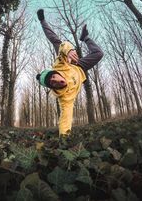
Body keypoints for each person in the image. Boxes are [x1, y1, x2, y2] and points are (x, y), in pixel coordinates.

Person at [36, 9, 103, 142]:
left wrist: (69, 50)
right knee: (98, 55)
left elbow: (62, 45)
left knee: (57, 42)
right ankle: (84, 38)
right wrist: (64, 137)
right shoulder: (64, 98)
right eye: (52, 83)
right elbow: (65, 118)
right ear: (52, 87)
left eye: (54, 76)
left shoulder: (59, 66)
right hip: (81, 71)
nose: (56, 80)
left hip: (72, 64)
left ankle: (84, 37)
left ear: (56, 72)